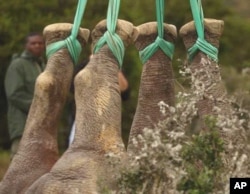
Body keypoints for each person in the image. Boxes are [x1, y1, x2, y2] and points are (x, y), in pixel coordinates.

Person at [68, 57, 130, 145]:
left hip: (108, 124)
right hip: (82, 121)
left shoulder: (115, 66)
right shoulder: (84, 65)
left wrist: (113, 65)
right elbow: (73, 88)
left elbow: (125, 93)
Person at [4, 32, 45, 158]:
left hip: (41, 122)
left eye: (40, 43)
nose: (37, 46)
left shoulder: (42, 65)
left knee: (39, 161)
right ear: (26, 46)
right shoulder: (17, 65)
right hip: (22, 121)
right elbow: (14, 94)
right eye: (33, 43)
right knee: (20, 159)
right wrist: (38, 107)